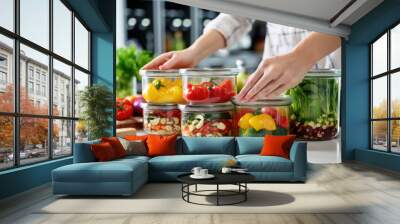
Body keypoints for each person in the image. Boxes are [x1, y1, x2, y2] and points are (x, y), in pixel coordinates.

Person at [143, 13, 341, 102]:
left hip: (339, 90)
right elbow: (239, 14)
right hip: (276, 96)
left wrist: (302, 57)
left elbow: (357, 13)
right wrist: (194, 52)